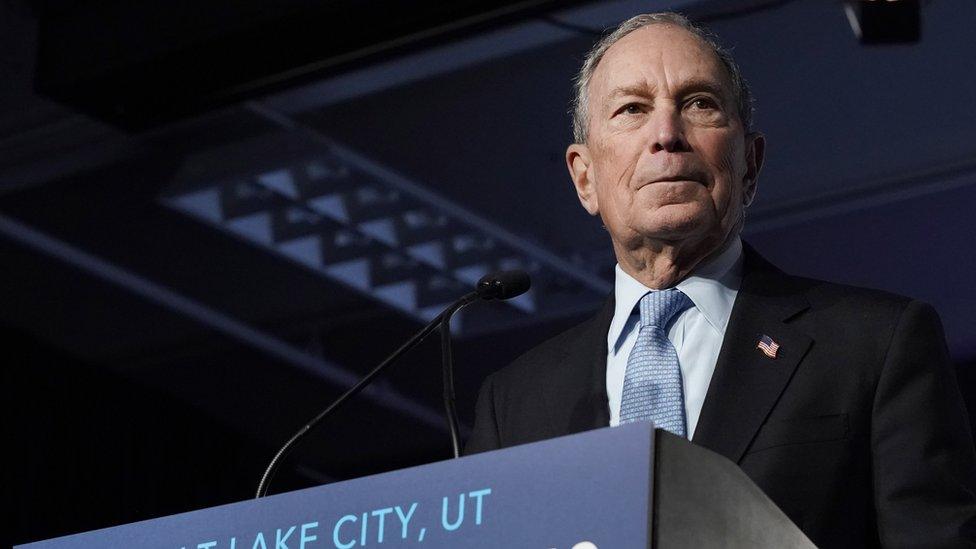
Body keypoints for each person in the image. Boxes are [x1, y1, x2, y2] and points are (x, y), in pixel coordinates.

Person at [465, 12, 976, 548]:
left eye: (698, 104)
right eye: (631, 109)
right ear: (584, 177)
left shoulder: (876, 344)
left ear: (749, 165)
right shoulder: (514, 402)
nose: (666, 135)